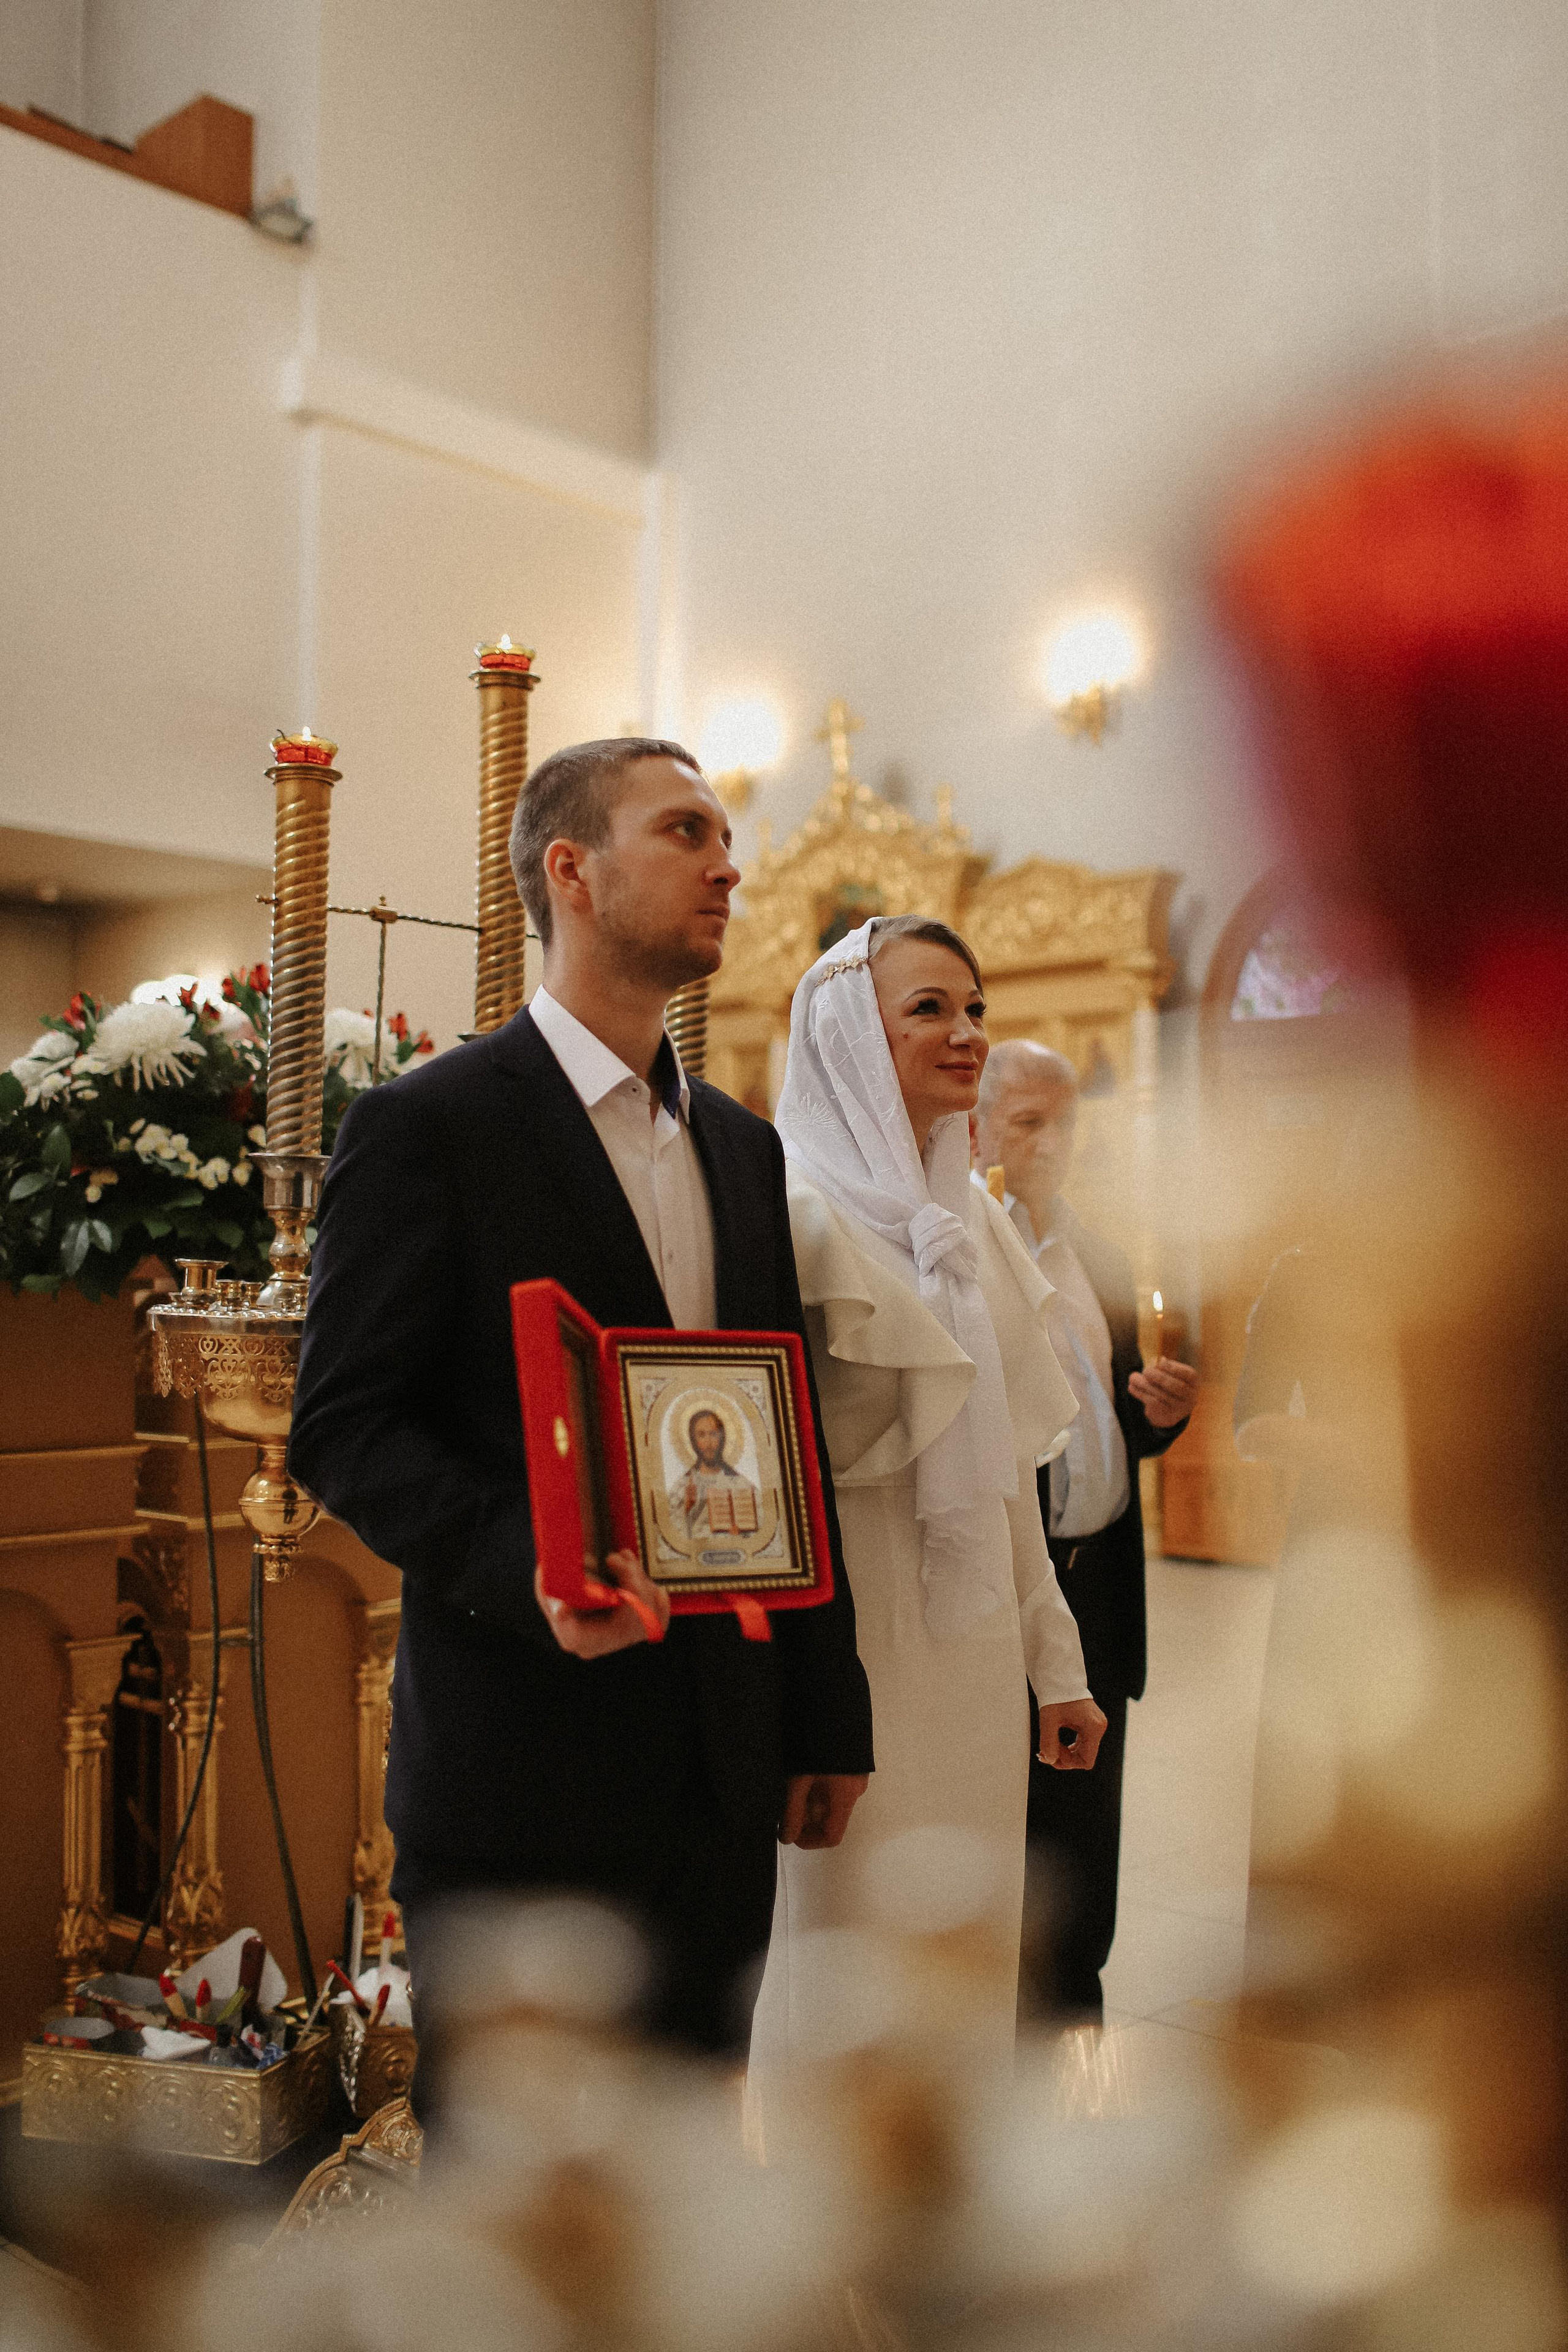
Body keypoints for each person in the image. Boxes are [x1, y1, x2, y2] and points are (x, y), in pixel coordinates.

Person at [288, 738, 873, 2098]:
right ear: (571, 869)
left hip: (721, 1765)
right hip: (522, 1766)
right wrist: (536, 1567)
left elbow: (785, 1434)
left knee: (686, 2166)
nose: (729, 865)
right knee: (520, 2207)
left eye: (726, 838)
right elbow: (344, 1424)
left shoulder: (740, 1144)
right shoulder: (426, 1127)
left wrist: (820, 1707)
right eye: (685, 832)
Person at [748, 916, 1106, 2087]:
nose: (967, 1034)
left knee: (963, 1937)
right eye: (929, 1009)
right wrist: (793, 1703)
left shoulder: (975, 1226)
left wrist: (1056, 1666)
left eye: (975, 1007)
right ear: (851, 1033)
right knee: (844, 1956)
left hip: (968, 1647)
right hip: (845, 1641)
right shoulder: (789, 1212)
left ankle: (944, 2207)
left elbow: (999, 1469)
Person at [972, 1040, 1194, 2022]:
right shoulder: (971, 1251)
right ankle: (1003, 2006)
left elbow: (1113, 1422)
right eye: (1029, 1121)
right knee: (1010, 1815)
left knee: (1089, 1818)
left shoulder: (1102, 1255)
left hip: (1101, 1579)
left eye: (1065, 1121)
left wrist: (1161, 1415)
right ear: (979, 1128)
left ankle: (1076, 2006)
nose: (1053, 1142)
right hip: (1015, 1580)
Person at [670, 1408, 760, 1538]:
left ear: (722, 1438)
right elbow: (668, 1533)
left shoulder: (741, 1483)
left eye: (713, 1434)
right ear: (693, 1441)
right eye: (702, 1435)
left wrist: (741, 1535)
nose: (709, 1442)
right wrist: (687, 1509)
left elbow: (762, 1526)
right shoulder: (683, 1485)